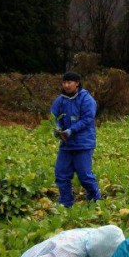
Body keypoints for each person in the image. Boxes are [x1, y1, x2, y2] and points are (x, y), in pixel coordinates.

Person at [50, 72, 101, 207]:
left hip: (83, 143)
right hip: (66, 144)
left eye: (69, 82)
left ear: (77, 83)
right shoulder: (60, 100)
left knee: (84, 175)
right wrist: (57, 129)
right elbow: (53, 117)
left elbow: (87, 119)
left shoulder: (86, 99)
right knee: (61, 174)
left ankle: (95, 199)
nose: (66, 85)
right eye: (64, 83)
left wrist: (71, 130)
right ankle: (66, 203)